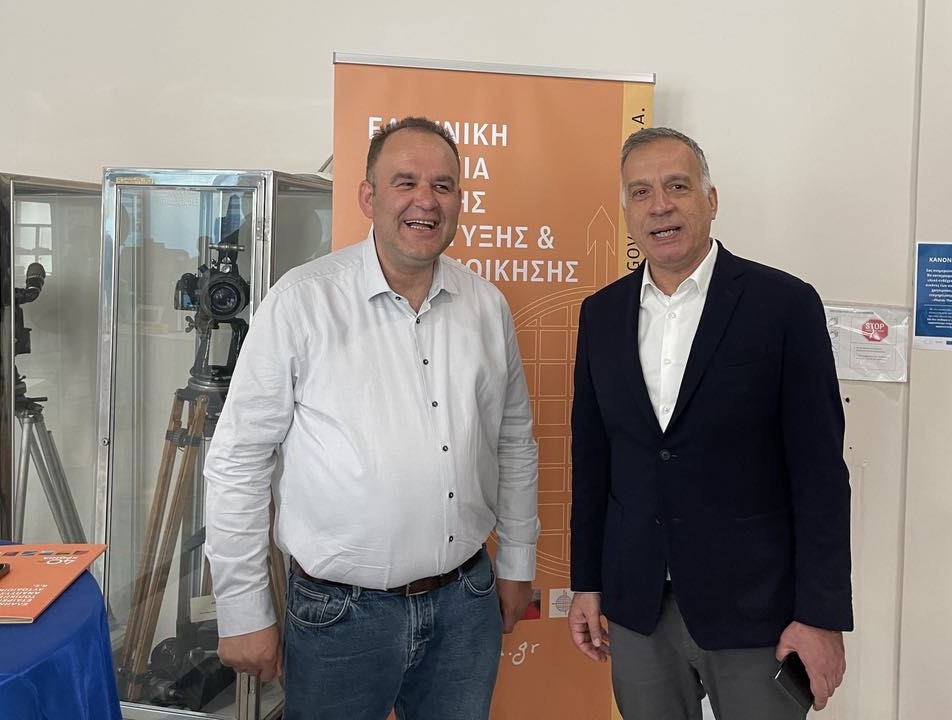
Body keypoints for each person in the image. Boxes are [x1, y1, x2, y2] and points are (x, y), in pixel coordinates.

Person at [203, 116, 539, 720]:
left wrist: (517, 562)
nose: (425, 201)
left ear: (459, 201)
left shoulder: (486, 306)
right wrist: (243, 609)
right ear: (368, 197)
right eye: (405, 182)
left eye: (442, 185)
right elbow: (239, 461)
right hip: (340, 617)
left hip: (466, 603)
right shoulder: (300, 302)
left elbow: (514, 442)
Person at [568, 127, 852, 719]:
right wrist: (587, 583)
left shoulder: (784, 306)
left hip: (757, 611)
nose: (660, 206)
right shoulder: (601, 315)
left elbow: (821, 474)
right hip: (638, 608)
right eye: (641, 192)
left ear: (711, 199)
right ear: (627, 212)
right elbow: (593, 463)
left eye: (677, 186)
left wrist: (821, 616)